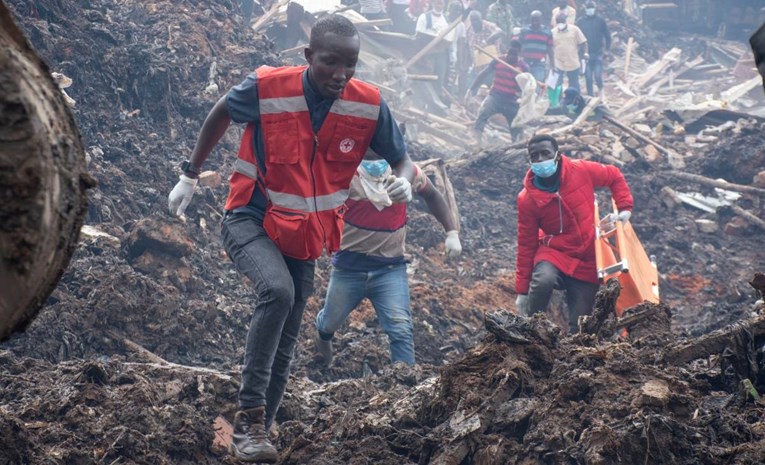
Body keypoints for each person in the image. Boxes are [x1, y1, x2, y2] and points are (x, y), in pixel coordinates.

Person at [166, 15, 415, 463]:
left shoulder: (367, 104)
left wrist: (403, 181)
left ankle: (260, 436)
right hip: (249, 217)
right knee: (276, 292)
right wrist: (189, 173)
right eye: (330, 63)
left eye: (351, 65)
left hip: (303, 235)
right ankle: (249, 423)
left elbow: (402, 158)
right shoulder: (267, 87)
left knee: (288, 334)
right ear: (308, 57)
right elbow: (221, 112)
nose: (341, 74)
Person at [314, 156, 461, 366]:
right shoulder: (344, 173)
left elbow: (432, 195)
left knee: (400, 329)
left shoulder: (405, 175)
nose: (376, 157)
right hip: (348, 269)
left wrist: (452, 232)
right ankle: (322, 339)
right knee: (329, 322)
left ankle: (407, 385)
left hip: (390, 269)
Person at [515, 134, 633, 333]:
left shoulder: (580, 170)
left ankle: (569, 357)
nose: (541, 159)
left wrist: (625, 208)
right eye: (534, 156)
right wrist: (522, 290)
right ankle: (532, 331)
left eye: (546, 153)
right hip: (555, 252)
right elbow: (526, 243)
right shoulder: (527, 199)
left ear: (557, 155)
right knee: (543, 280)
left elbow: (613, 175)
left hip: (587, 255)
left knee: (581, 327)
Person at [466, 39, 528, 143]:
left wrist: (522, 92)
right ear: (507, 50)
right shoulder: (499, 60)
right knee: (482, 114)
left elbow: (526, 86)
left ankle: (516, 145)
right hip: (495, 96)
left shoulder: (523, 67)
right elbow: (483, 73)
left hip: (511, 100)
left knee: (516, 127)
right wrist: (471, 89)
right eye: (510, 53)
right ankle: (477, 142)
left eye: (514, 54)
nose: (511, 56)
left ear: (519, 54)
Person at [576, 1, 611, 96]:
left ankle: (600, 91)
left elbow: (608, 36)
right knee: (588, 77)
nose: (590, 10)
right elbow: (576, 38)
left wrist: (607, 50)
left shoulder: (600, 20)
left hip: (598, 52)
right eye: (588, 8)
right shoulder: (580, 22)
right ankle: (590, 96)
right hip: (585, 54)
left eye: (591, 8)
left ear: (595, 9)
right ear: (585, 9)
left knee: (597, 75)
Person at [552, 11, 587, 92]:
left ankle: (575, 101)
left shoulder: (575, 30)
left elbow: (584, 42)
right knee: (557, 84)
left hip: (572, 62)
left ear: (565, 21)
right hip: (558, 62)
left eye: (562, 21)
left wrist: (585, 53)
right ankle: (558, 102)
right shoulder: (553, 32)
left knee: (574, 84)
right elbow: (550, 48)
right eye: (558, 22)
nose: (560, 24)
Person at [516, 10, 554, 82]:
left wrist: (553, 65)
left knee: (537, 85)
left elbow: (550, 49)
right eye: (533, 20)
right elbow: (518, 46)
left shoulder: (547, 32)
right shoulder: (524, 30)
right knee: (525, 86)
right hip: (525, 63)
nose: (534, 23)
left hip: (539, 64)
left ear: (541, 20)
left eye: (537, 20)